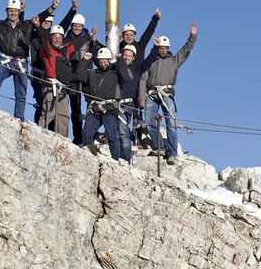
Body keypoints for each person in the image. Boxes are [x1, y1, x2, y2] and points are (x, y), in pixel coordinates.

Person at [0, 0, 55, 121]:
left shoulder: (26, 25)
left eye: (15, 11)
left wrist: (52, 7)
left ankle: (19, 118)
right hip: (5, 60)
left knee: (21, 92)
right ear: (7, 11)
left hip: (21, 62)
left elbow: (41, 16)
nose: (13, 13)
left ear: (19, 11)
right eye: (10, 11)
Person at [138, 23, 198, 165]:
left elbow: (186, 50)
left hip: (166, 93)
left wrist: (193, 36)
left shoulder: (174, 61)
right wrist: (141, 97)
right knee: (148, 121)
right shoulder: (152, 62)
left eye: (165, 48)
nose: (163, 50)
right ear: (158, 49)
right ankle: (161, 147)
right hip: (151, 94)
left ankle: (172, 153)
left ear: (168, 49)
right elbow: (143, 78)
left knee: (170, 122)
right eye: (161, 48)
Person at [37, 23, 96, 137]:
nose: (57, 40)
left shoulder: (66, 50)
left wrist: (89, 35)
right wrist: (39, 27)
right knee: (49, 113)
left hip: (63, 89)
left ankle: (62, 141)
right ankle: (37, 135)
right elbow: (42, 38)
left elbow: (77, 44)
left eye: (59, 37)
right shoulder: (47, 49)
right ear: (50, 38)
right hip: (51, 86)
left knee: (63, 116)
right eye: (55, 37)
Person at [75, 47, 132, 164]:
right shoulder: (92, 73)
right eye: (100, 62)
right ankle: (90, 156)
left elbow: (127, 77)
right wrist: (85, 61)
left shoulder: (116, 73)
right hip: (95, 108)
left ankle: (115, 161)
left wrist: (120, 59)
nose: (103, 64)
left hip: (110, 108)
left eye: (105, 61)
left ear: (109, 60)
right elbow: (79, 75)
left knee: (112, 136)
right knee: (86, 133)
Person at [30, 0, 78, 123]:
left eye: (48, 22)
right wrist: (36, 25)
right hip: (39, 71)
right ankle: (38, 128)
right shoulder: (37, 36)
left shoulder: (55, 34)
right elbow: (39, 37)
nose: (46, 23)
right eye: (44, 21)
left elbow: (65, 24)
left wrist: (72, 11)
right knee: (43, 103)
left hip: (53, 72)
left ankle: (55, 132)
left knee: (59, 112)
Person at [65, 12, 102, 145]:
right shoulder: (67, 39)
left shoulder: (89, 39)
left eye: (79, 26)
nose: (77, 28)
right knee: (75, 107)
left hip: (87, 75)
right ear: (72, 26)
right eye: (75, 26)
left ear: (82, 27)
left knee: (90, 105)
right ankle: (78, 136)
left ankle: (89, 135)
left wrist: (94, 42)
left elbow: (99, 51)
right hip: (73, 76)